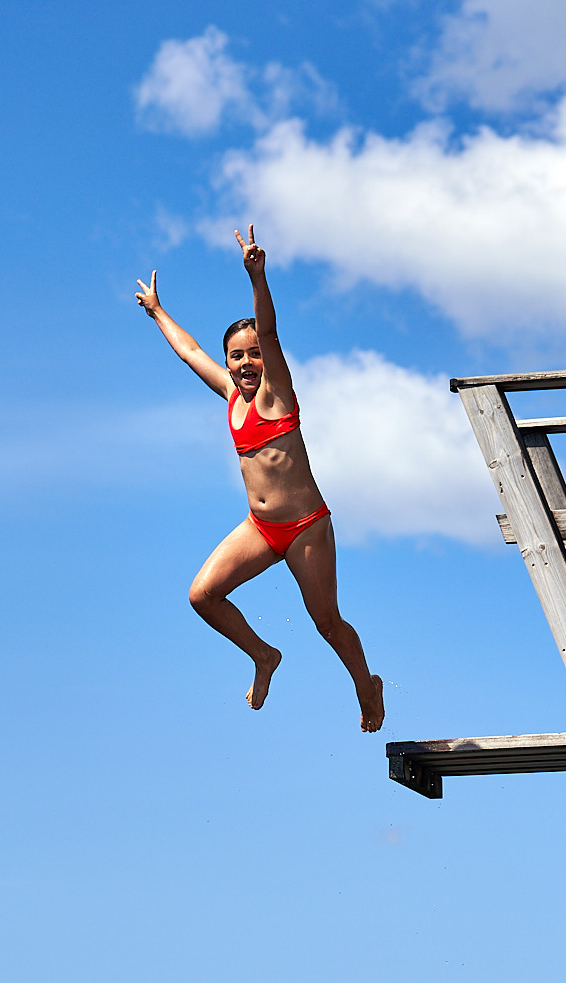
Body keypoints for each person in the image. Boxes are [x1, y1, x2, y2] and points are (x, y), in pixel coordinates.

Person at [133, 225, 384, 732]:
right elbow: (190, 352)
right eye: (237, 355)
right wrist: (158, 311)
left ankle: (366, 685)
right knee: (202, 595)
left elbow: (269, 332)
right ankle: (264, 655)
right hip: (261, 528)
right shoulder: (232, 396)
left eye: (253, 354)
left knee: (326, 622)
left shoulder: (277, 393)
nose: (247, 361)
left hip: (306, 528)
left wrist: (257, 276)